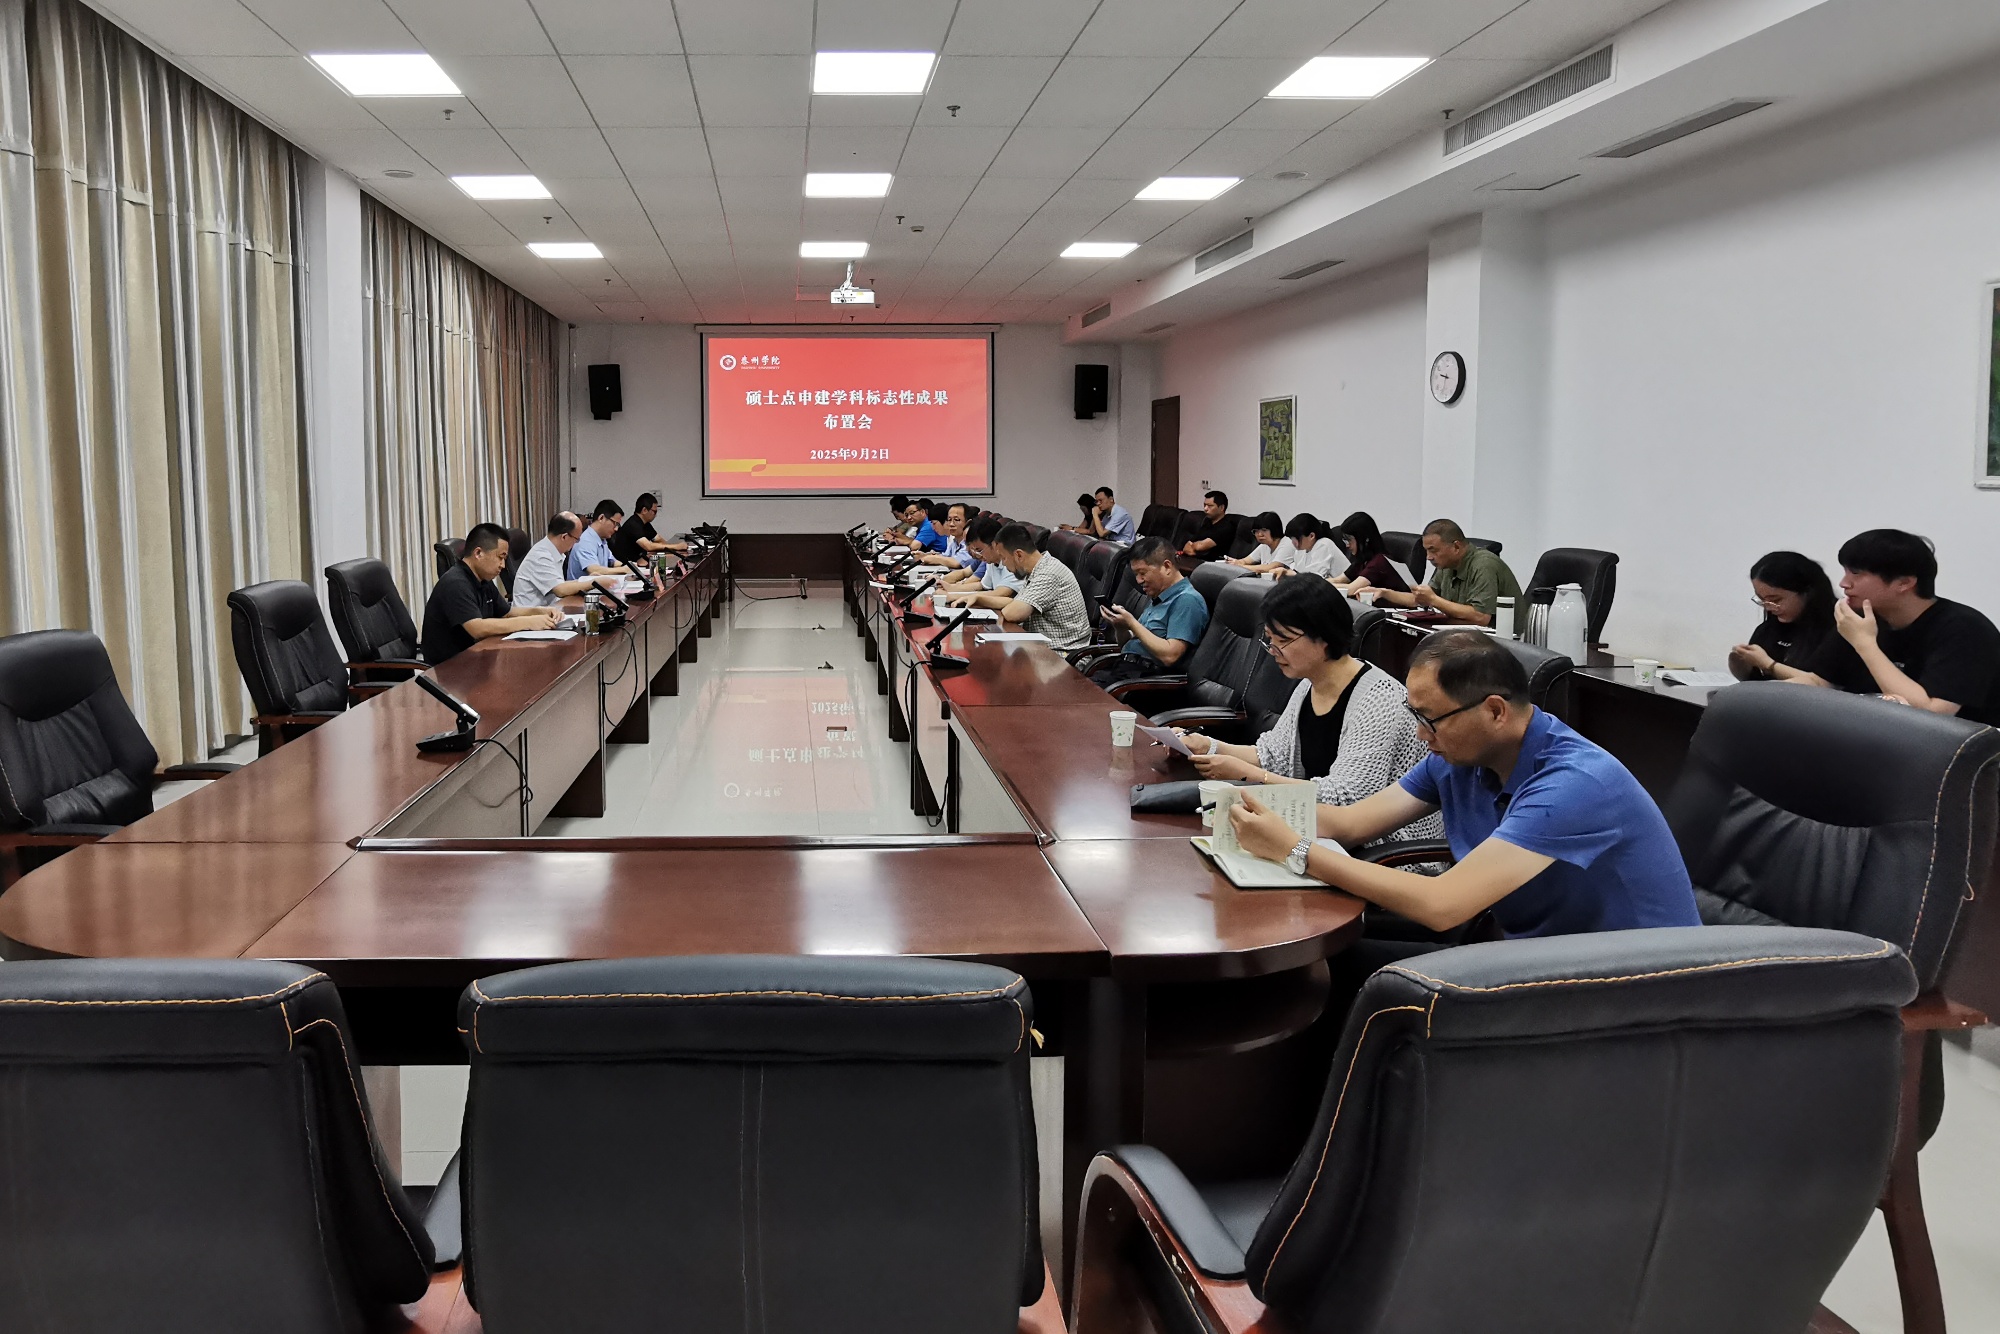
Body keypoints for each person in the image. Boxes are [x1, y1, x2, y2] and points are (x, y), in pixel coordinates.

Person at [1229, 629, 1698, 941]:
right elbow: (1350, 824)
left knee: (1366, 988)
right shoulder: (1458, 755)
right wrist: (1233, 804)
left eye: (1430, 719)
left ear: (1494, 711)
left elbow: (1442, 904)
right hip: (1528, 950)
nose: (1420, 735)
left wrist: (1294, 850)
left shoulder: (1575, 785)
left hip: (1625, 987)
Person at [1179, 576, 1443, 848]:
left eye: (1283, 640)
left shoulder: (1379, 700)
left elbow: (1346, 802)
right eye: (1270, 640)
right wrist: (1208, 746)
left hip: (1385, 852)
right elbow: (1273, 755)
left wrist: (1251, 776)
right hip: (1321, 834)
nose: (1272, 651)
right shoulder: (1309, 683)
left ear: (1323, 636)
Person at [1803, 529, 2000, 723]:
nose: (1844, 583)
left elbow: (1932, 714)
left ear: (1904, 583)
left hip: (1957, 742)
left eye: (1856, 573)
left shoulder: (1964, 629)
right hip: (1871, 733)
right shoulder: (1862, 616)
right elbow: (1819, 681)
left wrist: (1865, 644)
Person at [422, 523, 562, 664]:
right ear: (478, 553)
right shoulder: (455, 583)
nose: (503, 565)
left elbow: (507, 613)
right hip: (449, 666)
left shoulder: (483, 579)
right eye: (500, 557)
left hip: (477, 656)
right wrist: (529, 622)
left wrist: (539, 611)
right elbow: (477, 628)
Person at [1355, 519, 1519, 626]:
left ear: (1456, 547)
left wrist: (1433, 600)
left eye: (1433, 550)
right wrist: (1384, 592)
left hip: (1501, 644)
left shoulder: (1484, 564)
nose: (1428, 557)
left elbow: (1481, 617)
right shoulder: (1447, 565)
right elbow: (1420, 600)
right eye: (1426, 551)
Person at [1091, 536, 1209, 683]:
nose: (1138, 580)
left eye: (1142, 573)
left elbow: (1170, 656)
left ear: (1167, 567)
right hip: (1124, 670)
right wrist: (1121, 627)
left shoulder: (1187, 600)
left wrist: (1132, 623)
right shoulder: (1159, 596)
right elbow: (1127, 646)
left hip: (1143, 680)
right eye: (1136, 574)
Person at [1727, 550, 1847, 682]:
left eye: (1776, 600)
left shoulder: (1839, 630)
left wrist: (1768, 664)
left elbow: (1823, 685)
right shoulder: (1768, 629)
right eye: (1762, 600)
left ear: (1807, 592)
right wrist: (1741, 665)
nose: (1768, 607)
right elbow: (1755, 681)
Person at [991, 522, 1091, 650]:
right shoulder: (1037, 568)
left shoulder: (1048, 573)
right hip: (1042, 648)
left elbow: (1012, 613)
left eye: (1004, 558)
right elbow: (1016, 604)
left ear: (1019, 555)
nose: (1003, 564)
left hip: (1062, 654)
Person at [513, 512, 620, 610]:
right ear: (564, 537)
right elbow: (561, 590)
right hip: (532, 617)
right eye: (576, 539)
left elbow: (560, 584)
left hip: (549, 610)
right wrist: (594, 582)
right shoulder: (541, 556)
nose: (577, 543)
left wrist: (588, 579)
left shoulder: (553, 551)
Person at [937, 516, 1022, 604]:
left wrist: (953, 596)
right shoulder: (991, 561)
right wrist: (951, 588)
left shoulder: (1013, 561)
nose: (978, 555)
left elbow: (1001, 593)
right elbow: (982, 585)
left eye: (979, 550)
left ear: (994, 545)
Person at [1327, 511, 1409, 593]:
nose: (1347, 545)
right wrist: (1321, 582)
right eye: (1345, 540)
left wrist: (1324, 586)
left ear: (1366, 539)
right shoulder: (1362, 561)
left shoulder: (1379, 562)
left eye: (1349, 540)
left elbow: (1351, 589)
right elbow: (1338, 580)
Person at [611, 492, 686, 565]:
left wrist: (673, 549)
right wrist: (677, 546)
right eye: (654, 512)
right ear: (644, 510)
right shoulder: (633, 524)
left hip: (640, 562)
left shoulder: (645, 524)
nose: (655, 515)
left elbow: (659, 539)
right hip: (627, 565)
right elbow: (648, 546)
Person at [567, 500, 631, 581]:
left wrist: (631, 567)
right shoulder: (586, 540)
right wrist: (624, 570)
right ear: (601, 518)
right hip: (581, 588)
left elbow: (613, 562)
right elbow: (594, 570)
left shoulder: (602, 539)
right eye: (615, 523)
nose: (616, 529)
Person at [1276, 513, 1343, 580]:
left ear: (1311, 536)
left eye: (1296, 539)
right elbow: (1299, 573)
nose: (1293, 543)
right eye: (1292, 539)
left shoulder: (1324, 544)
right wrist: (1286, 572)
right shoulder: (1301, 551)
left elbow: (1314, 578)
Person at [918, 502, 980, 573]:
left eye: (956, 520)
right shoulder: (954, 541)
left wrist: (932, 558)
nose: (951, 524)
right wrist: (925, 555)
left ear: (968, 522)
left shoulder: (971, 542)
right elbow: (945, 556)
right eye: (949, 520)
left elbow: (956, 563)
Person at [1226, 512, 1293, 576]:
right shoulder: (1264, 545)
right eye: (1256, 531)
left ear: (1274, 529)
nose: (1259, 534)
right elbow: (1244, 561)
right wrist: (1232, 562)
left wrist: (1239, 566)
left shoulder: (1287, 543)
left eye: (1264, 530)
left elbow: (1271, 568)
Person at [1179, 491, 1233, 560]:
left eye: (1210, 506)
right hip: (1196, 560)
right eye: (1205, 505)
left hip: (1211, 563)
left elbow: (1199, 547)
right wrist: (1194, 547)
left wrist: (1194, 548)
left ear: (1222, 508)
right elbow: (1187, 546)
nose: (1205, 509)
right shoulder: (1207, 522)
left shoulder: (1225, 527)